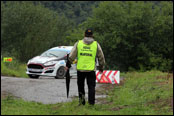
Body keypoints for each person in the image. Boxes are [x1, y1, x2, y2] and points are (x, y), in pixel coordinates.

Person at [66, 29, 105, 106]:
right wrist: (101, 67)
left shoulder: (79, 43)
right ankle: (91, 104)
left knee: (81, 86)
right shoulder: (96, 44)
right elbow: (101, 57)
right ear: (92, 35)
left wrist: (68, 64)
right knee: (91, 87)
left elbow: (72, 55)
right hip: (91, 70)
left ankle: (81, 103)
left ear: (84, 34)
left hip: (80, 69)